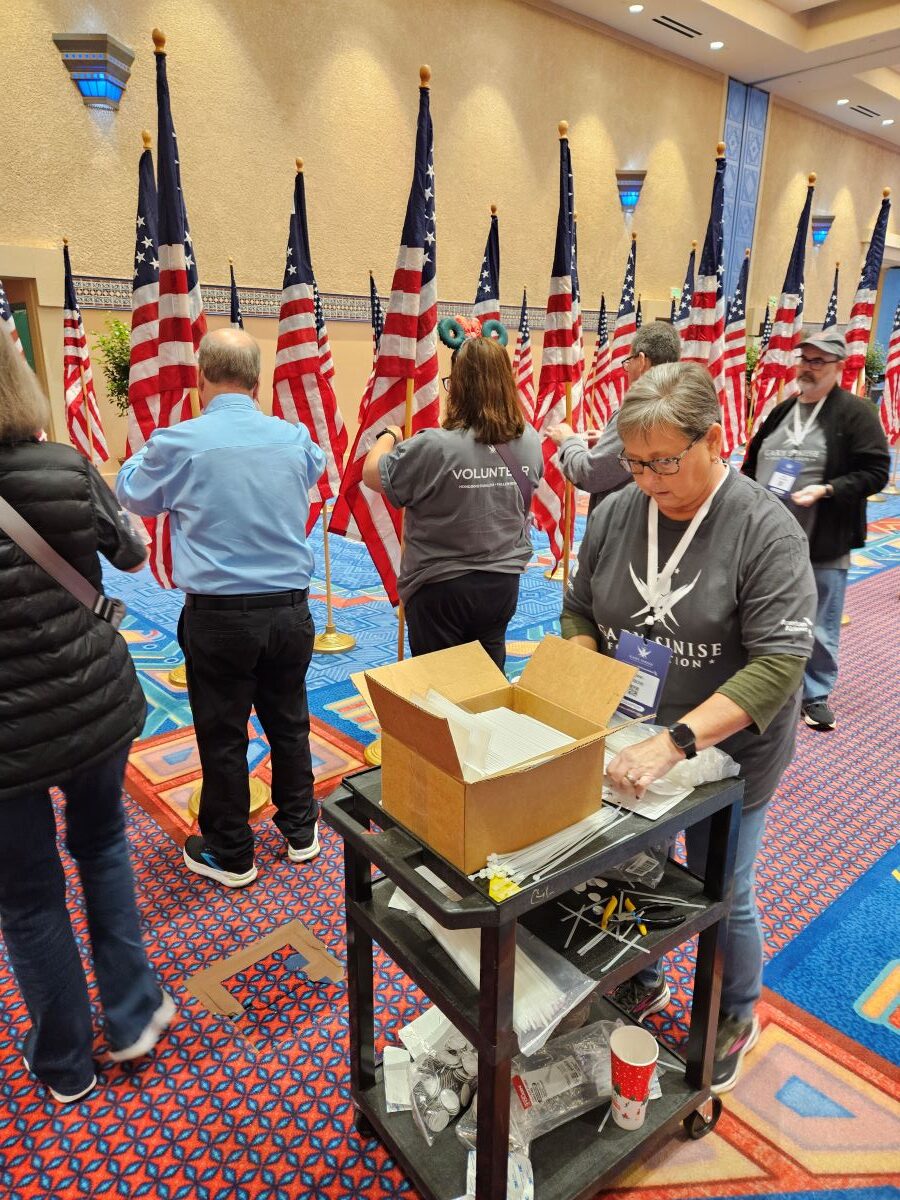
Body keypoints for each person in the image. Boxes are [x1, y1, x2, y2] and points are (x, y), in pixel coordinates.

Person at [562, 362, 816, 1093]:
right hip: (631, 732)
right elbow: (579, 609)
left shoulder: (763, 528)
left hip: (727, 751)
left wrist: (677, 743)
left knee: (720, 885)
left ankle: (737, 1009)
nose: (648, 479)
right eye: (634, 463)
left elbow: (778, 664)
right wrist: (585, 674)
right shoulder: (617, 512)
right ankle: (649, 975)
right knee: (636, 870)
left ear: (714, 439)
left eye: (666, 461)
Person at [0, 327, 173, 1104]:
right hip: (97, 701)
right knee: (102, 849)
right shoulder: (68, 466)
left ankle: (65, 1063)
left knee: (29, 895)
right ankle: (132, 1014)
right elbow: (132, 553)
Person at [116, 327, 326, 889]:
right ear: (257, 382)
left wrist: (150, 443)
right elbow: (315, 470)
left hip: (220, 616)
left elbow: (131, 493)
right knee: (289, 720)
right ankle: (301, 830)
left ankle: (232, 853)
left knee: (223, 733)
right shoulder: (293, 437)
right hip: (289, 610)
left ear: (201, 379)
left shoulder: (180, 441)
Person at [362, 318, 542, 667]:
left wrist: (389, 436)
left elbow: (372, 474)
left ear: (458, 387)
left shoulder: (434, 445)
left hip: (439, 587)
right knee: (487, 680)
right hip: (502, 585)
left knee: (439, 689)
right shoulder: (530, 440)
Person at [743, 328, 889, 731]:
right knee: (765, 612)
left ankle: (816, 694)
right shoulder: (783, 410)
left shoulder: (855, 413)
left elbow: (876, 473)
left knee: (820, 621)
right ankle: (763, 684)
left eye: (818, 361)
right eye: (804, 359)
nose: (808, 367)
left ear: (839, 367)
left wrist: (828, 489)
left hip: (823, 538)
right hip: (769, 540)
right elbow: (753, 462)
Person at [548, 320, 681, 510]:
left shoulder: (637, 415)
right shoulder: (679, 408)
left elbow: (590, 475)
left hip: (626, 526)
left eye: (629, 362)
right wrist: (608, 441)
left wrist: (568, 441)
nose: (627, 370)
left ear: (641, 361)